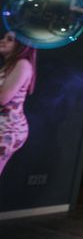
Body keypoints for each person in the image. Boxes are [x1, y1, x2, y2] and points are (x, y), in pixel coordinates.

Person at [0, 31, 37, 175]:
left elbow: (3, 98)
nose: (2, 41)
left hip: (7, 130)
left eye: (9, 40)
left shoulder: (22, 64)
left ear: (22, 46)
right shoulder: (10, 65)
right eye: (3, 37)